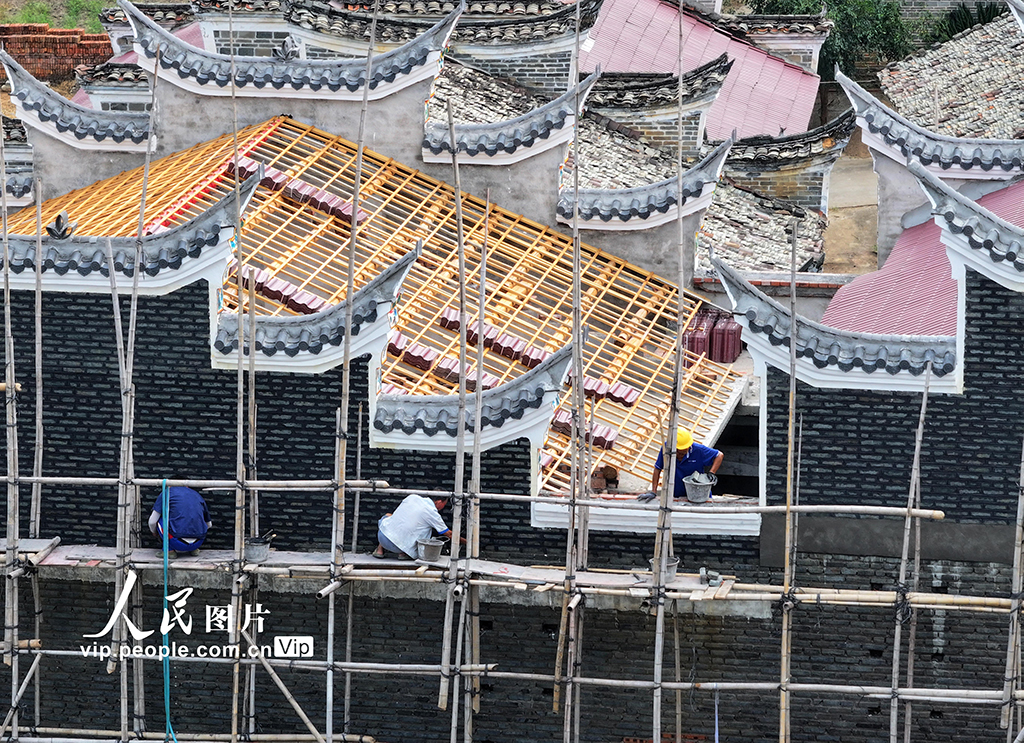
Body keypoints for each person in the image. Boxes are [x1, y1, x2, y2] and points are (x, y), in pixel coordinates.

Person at [373, 493, 462, 559]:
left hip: (382, 537)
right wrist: (468, 542)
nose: (443, 507)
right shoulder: (432, 513)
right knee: (424, 530)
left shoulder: (412, 497)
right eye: (444, 504)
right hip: (399, 548)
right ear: (439, 502)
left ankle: (379, 550)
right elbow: (449, 534)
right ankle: (403, 554)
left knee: (388, 517)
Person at [650, 429, 724, 499]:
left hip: (699, 495)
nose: (681, 455)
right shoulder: (666, 448)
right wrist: (653, 491)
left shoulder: (699, 450)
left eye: (684, 452)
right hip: (675, 494)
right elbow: (657, 468)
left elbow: (719, 455)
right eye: (679, 453)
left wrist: (712, 472)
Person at [149, 486, 212, 558]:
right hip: (199, 542)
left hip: (176, 542)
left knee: (160, 519)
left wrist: (154, 532)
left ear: (169, 486)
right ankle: (193, 550)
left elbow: (152, 521)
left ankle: (169, 551)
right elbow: (209, 524)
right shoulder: (197, 495)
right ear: (187, 486)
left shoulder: (167, 492)